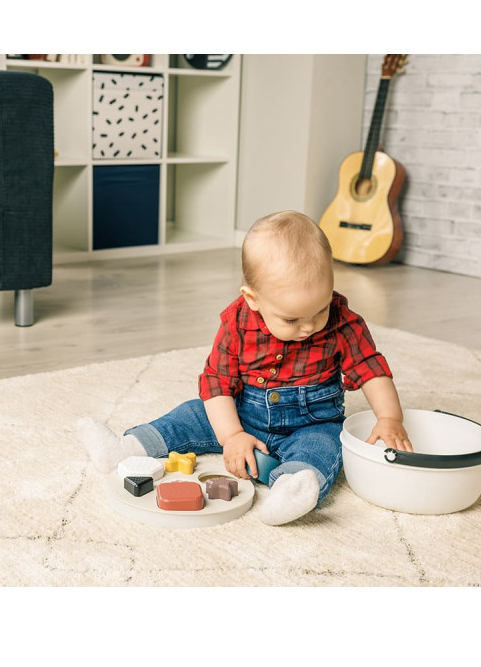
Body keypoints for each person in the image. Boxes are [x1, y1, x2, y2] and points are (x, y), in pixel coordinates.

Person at [76, 210, 413, 525]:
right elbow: (217, 384)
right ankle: (126, 448)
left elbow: (371, 368)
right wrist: (232, 436)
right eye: (292, 319)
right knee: (190, 414)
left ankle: (292, 487)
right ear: (252, 298)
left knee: (325, 446)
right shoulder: (237, 322)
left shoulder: (343, 321)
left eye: (320, 309)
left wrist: (389, 418)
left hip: (312, 424)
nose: (309, 326)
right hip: (239, 414)